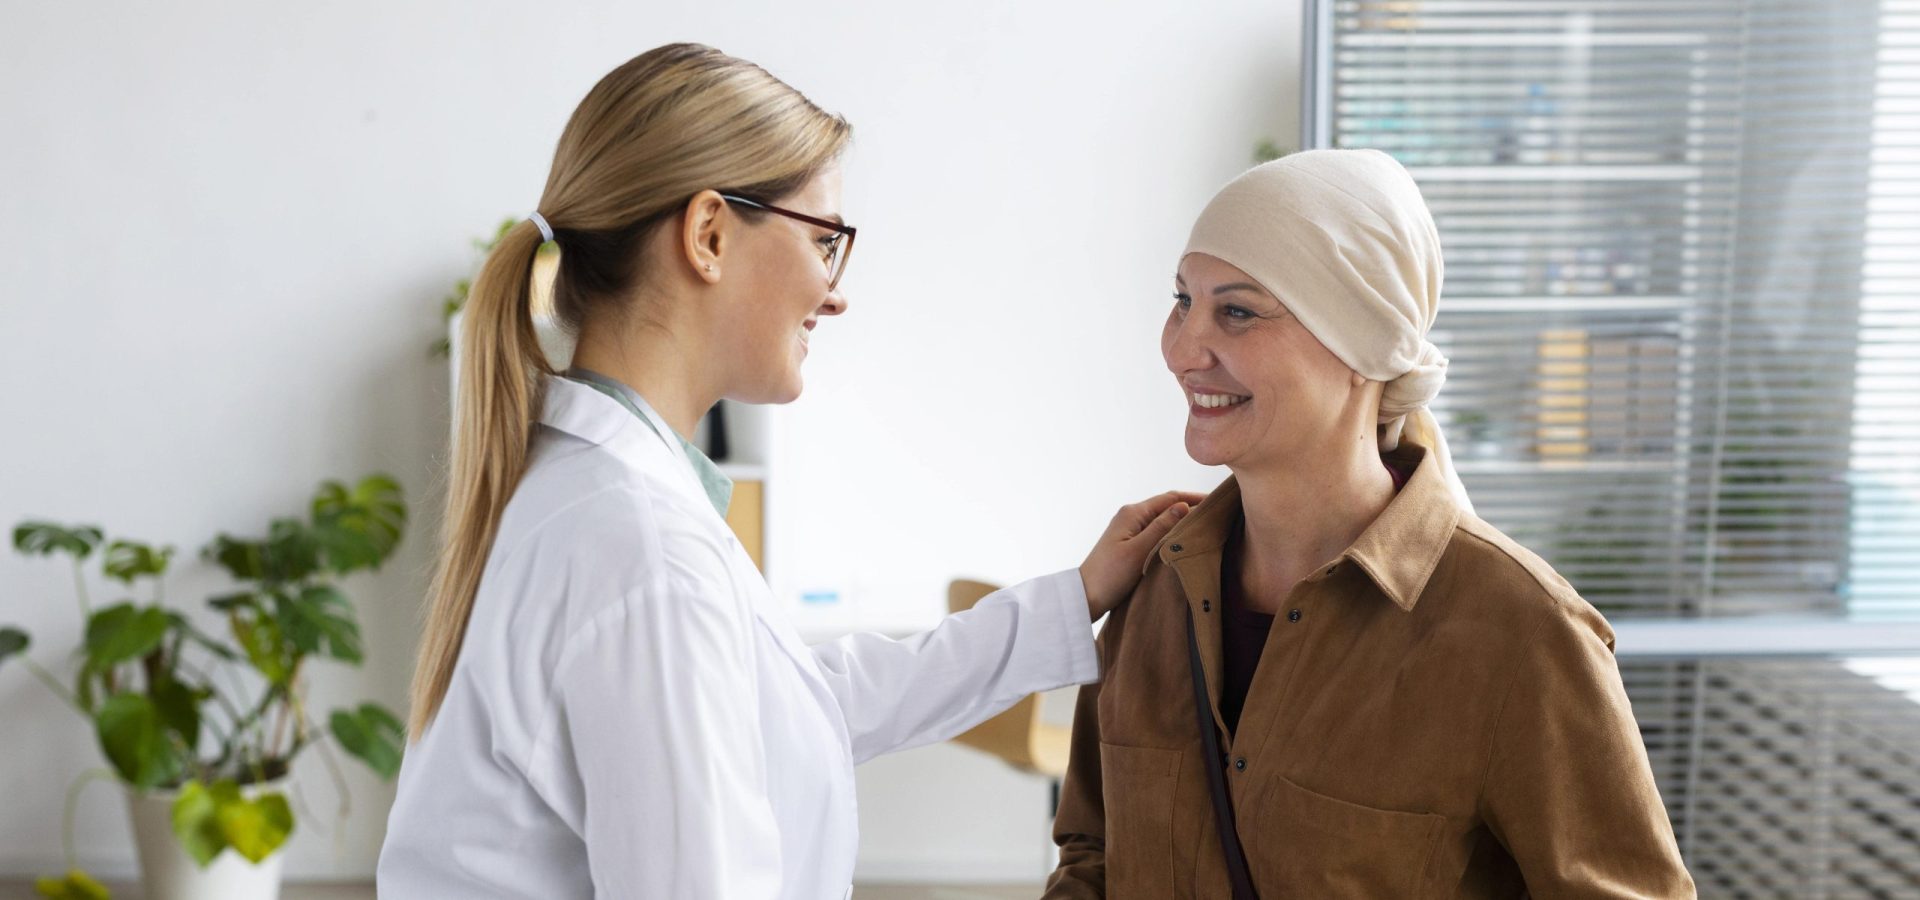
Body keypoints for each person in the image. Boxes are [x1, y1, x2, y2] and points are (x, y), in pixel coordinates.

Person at [377, 43, 1199, 899]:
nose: (835, 292)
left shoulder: (590, 497)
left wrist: (1073, 598)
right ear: (708, 235)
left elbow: (796, 705)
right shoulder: (644, 554)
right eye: (823, 241)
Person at [1043, 149, 1696, 898]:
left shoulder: (1521, 633)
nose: (1183, 349)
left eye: (1238, 311)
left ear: (1364, 345)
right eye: (1182, 300)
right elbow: (1093, 854)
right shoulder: (1155, 587)